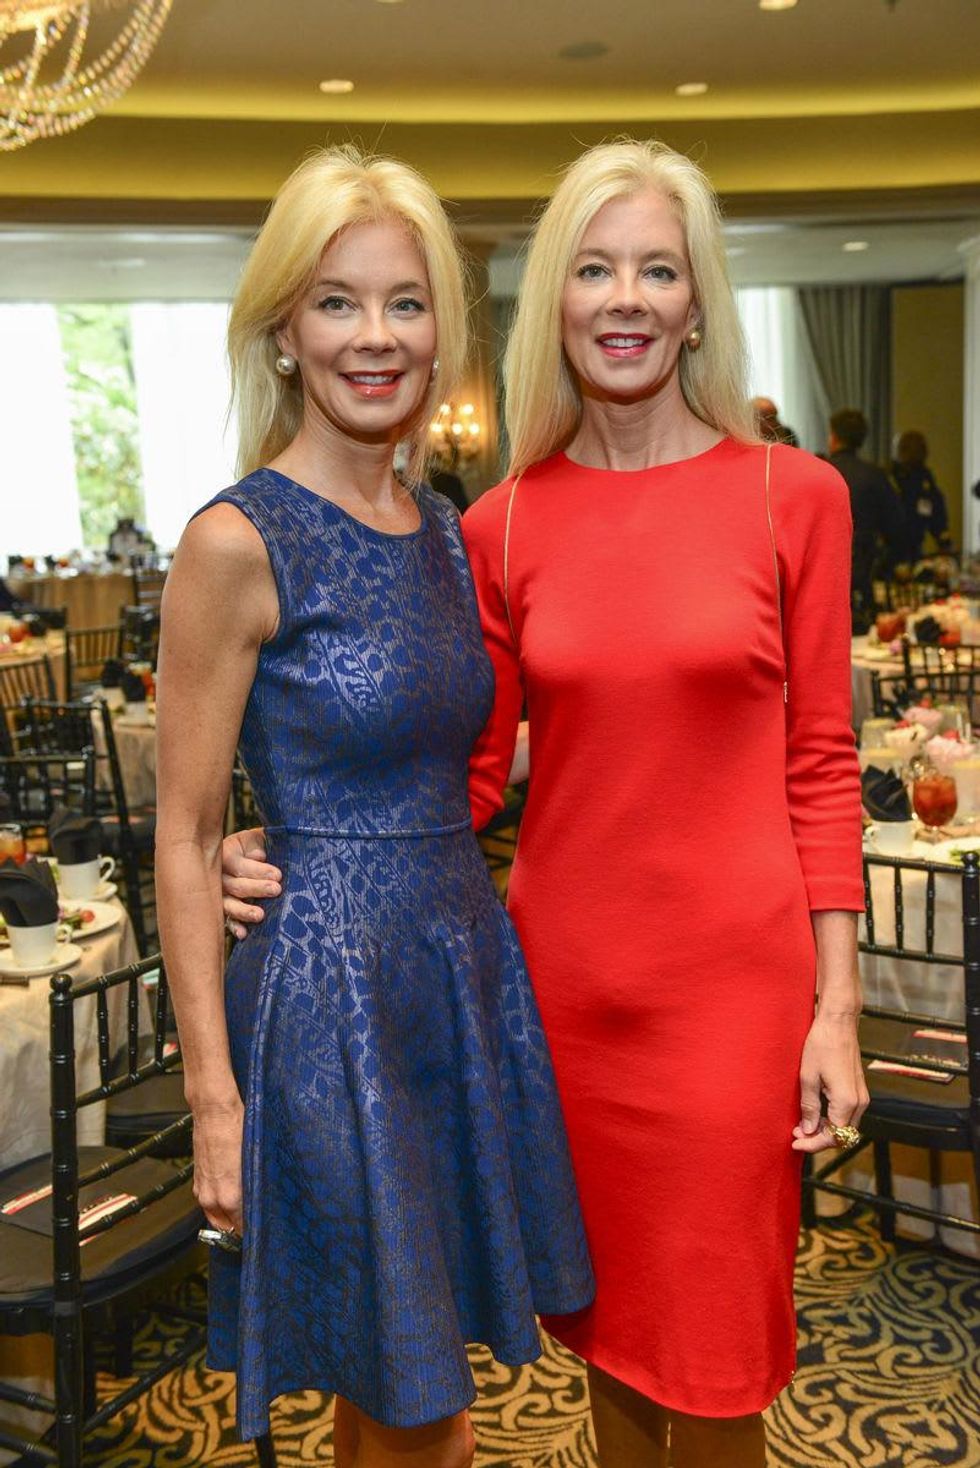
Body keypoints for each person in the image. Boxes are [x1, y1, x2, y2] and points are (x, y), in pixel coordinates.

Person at [222, 140, 869, 1468]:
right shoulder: (503, 524)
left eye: (657, 271)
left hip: (733, 1000)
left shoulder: (792, 495)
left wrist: (839, 1007)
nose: (625, 299)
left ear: (697, 305)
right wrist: (287, 843)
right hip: (556, 999)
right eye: (593, 269)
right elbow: (459, 771)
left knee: (718, 1361)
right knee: (609, 1345)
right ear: (556, 304)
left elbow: (819, 764)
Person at [155, 146, 593, 1466]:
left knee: (404, 1381)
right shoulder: (235, 540)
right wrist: (214, 1102)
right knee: (420, 1408)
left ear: (442, 329)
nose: (375, 335)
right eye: (337, 302)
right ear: (284, 329)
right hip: (323, 1006)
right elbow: (182, 835)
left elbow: (446, 755)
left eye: (405, 303)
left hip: (454, 984)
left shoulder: (446, 527)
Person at [826, 408, 906, 630]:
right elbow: (897, 527)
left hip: (825, 575)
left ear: (834, 437)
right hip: (863, 572)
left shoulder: (821, 471)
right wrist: (884, 565)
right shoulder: (875, 476)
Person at [890, 430, 952, 561]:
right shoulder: (893, 477)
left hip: (910, 546)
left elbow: (938, 516)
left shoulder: (925, 481)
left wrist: (945, 543)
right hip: (893, 546)